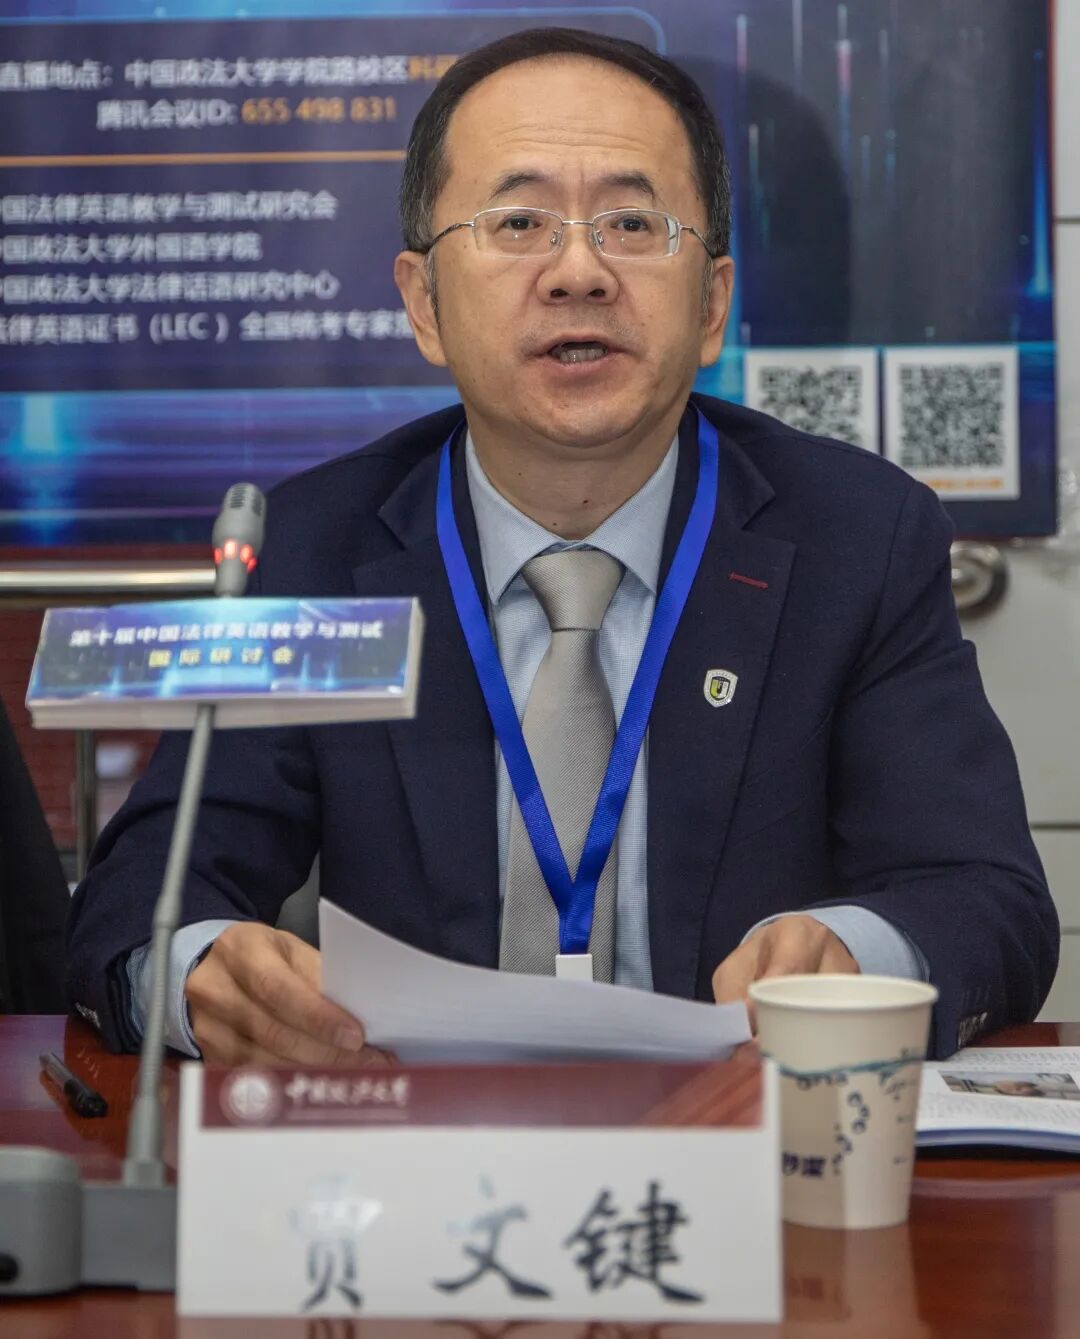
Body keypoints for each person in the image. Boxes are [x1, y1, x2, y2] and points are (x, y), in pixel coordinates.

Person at [66, 27, 1057, 1064]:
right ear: (423, 303)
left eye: (631, 222)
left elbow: (984, 899)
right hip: (415, 1132)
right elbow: (142, 895)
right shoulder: (317, 546)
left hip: (742, 1135)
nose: (578, 271)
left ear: (712, 304)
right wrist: (202, 971)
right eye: (519, 222)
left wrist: (855, 953)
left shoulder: (856, 538)